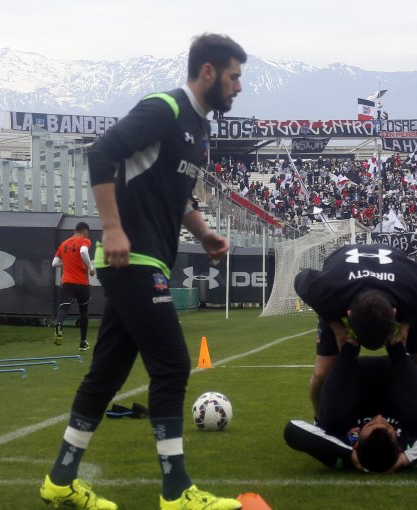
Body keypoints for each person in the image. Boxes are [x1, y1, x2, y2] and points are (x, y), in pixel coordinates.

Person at [39, 33, 247, 510]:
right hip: (130, 260)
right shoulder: (165, 108)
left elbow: (174, 197)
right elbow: (101, 152)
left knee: (106, 375)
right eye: (234, 77)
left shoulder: (200, 131)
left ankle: (60, 481)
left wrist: (204, 231)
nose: (238, 87)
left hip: (149, 258)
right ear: (209, 72)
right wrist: (111, 228)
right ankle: (176, 492)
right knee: (172, 365)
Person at [294, 243, 417, 421]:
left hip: (401, 291)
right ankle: (319, 420)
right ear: (348, 315)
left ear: (395, 313)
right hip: (342, 287)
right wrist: (336, 328)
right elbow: (301, 279)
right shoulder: (327, 292)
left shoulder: (414, 289)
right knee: (321, 374)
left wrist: (406, 324)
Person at [283, 334, 417, 473]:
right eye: (386, 425)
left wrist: (348, 455)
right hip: (395, 378)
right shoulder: (408, 447)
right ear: (397, 446)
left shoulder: (345, 447)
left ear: (357, 445)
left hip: (357, 382)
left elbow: (292, 429)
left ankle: (350, 344)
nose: (378, 417)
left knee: (331, 422)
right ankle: (396, 343)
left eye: (370, 424)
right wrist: (406, 458)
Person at [52, 222, 96, 350]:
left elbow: (54, 264)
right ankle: (83, 342)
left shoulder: (63, 244)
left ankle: (59, 325)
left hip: (67, 283)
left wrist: (65, 262)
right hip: (82, 283)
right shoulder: (85, 240)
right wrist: (91, 267)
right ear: (85, 232)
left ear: (74, 230)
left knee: (63, 308)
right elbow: (83, 251)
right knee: (83, 312)